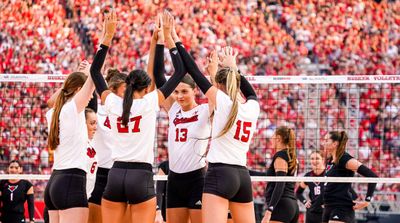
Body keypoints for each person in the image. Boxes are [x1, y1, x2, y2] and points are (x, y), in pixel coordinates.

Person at [89, 10, 187, 223]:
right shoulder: (150, 102)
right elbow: (179, 71)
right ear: (146, 88)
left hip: (115, 174)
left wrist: (107, 37)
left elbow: (95, 72)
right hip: (140, 176)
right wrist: (167, 39)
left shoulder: (113, 102)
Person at [173, 20, 260, 221]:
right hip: (242, 177)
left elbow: (193, 71)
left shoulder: (223, 102)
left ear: (219, 86)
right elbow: (250, 92)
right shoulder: (252, 108)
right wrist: (233, 67)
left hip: (220, 173)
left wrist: (177, 40)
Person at [44, 10, 116, 223]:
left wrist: (75, 77)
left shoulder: (54, 111)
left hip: (54, 182)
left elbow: (57, 97)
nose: (90, 95)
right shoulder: (71, 108)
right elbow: (95, 75)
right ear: (77, 90)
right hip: (71, 182)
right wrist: (106, 40)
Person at [153, 12, 212, 223]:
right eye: (176, 92)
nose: (179, 96)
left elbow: (193, 70)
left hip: (197, 177)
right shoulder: (174, 110)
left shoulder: (205, 110)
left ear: (195, 91)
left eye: (184, 92)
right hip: (175, 178)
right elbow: (158, 77)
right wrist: (161, 41)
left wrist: (173, 38)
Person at [322, 131, 378, 223]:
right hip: (328, 206)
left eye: (326, 140)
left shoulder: (345, 159)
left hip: (341, 207)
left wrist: (367, 201)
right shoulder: (330, 160)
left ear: (335, 143)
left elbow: (372, 176)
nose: (323, 143)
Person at [262, 126, 299, 223]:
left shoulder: (280, 156)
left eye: (273, 136)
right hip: (292, 205)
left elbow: (280, 184)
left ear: (278, 138)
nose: (271, 139)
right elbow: (270, 176)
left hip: (281, 205)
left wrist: (269, 210)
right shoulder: (291, 156)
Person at [296, 151, 325, 223]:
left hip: (326, 211)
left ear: (323, 160)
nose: (314, 161)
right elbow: (298, 192)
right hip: (312, 212)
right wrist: (305, 202)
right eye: (312, 158)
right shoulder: (308, 176)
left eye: (317, 158)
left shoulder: (328, 174)